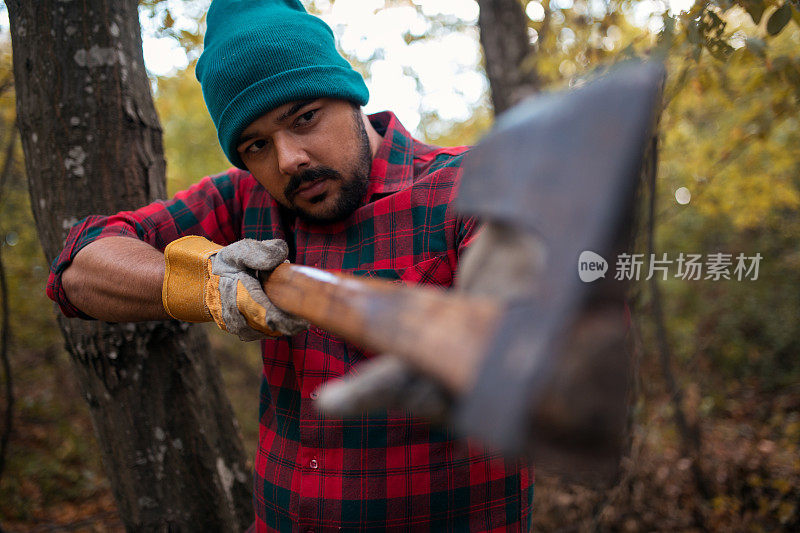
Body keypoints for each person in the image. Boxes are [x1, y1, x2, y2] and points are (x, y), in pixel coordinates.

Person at [46, 0, 532, 530]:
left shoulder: (473, 188)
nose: (287, 159)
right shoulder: (247, 200)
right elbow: (78, 266)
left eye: (303, 118)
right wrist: (201, 281)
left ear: (349, 95)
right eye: (256, 144)